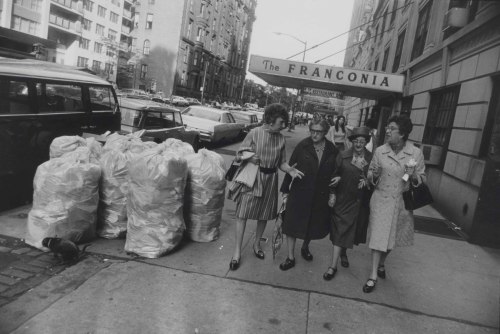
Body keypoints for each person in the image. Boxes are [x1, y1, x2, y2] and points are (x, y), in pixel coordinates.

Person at [228, 103, 304, 271]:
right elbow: (239, 153)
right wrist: (249, 158)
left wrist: (290, 170)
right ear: (270, 120)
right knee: (242, 214)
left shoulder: (281, 138)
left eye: (284, 122)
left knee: (263, 215)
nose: (283, 125)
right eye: (281, 122)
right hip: (253, 178)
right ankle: (236, 253)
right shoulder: (254, 133)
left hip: (271, 180)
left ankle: (256, 245)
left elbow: (282, 163)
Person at [363, 115, 426, 293]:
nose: (387, 131)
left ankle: (382, 263)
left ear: (403, 133)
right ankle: (373, 274)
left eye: (392, 128)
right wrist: (374, 174)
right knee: (378, 237)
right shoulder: (380, 151)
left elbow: (421, 179)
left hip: (401, 201)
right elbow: (369, 176)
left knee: (393, 239)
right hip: (381, 198)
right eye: (387, 127)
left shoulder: (415, 153)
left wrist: (413, 174)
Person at [279, 119, 338, 270]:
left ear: (325, 133)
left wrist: (337, 181)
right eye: (312, 131)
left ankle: (305, 247)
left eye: (318, 132)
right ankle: (290, 257)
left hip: (320, 193)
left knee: (312, 223)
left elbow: (337, 170)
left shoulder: (332, 149)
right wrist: (285, 190)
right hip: (300, 192)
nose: (314, 134)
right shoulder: (303, 146)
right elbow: (291, 168)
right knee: (291, 224)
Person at [323, 127, 373, 280]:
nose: (358, 144)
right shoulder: (343, 155)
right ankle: (333, 266)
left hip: (360, 201)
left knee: (352, 230)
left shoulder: (372, 158)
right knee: (340, 231)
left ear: (366, 142)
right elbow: (333, 174)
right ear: (351, 141)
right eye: (356, 141)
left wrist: (367, 180)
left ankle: (344, 253)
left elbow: (376, 178)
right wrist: (333, 190)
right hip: (344, 199)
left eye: (362, 141)